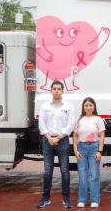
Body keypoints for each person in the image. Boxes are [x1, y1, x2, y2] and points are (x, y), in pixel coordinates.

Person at [37, 80, 75, 208]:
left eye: (59, 89)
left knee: (65, 171)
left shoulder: (68, 106)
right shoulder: (45, 106)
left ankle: (66, 199)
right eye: (55, 89)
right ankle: (45, 198)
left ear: (62, 91)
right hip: (47, 141)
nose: (57, 91)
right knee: (48, 171)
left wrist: (58, 138)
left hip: (62, 141)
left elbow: (71, 124)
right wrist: (49, 137)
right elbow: (41, 123)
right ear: (51, 91)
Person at [72, 97, 105, 208]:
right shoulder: (79, 119)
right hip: (81, 147)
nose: (88, 107)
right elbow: (75, 135)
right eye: (86, 105)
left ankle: (95, 200)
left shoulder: (98, 119)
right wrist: (75, 150)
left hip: (94, 147)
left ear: (94, 106)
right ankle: (82, 199)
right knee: (82, 175)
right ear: (83, 107)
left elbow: (102, 135)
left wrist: (100, 151)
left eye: (90, 105)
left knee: (94, 175)